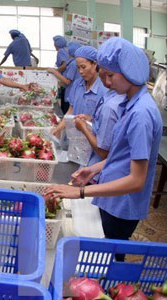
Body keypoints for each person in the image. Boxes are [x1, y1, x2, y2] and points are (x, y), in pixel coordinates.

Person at [45, 38, 162, 261]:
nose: (106, 83)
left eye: (111, 75)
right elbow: (122, 156)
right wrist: (96, 169)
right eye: (103, 75)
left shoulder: (141, 115)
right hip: (112, 193)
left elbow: (137, 180)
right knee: (104, 248)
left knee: (111, 256)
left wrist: (80, 192)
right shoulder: (130, 104)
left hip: (122, 201)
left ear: (130, 72)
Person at [73, 67, 126, 183]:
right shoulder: (113, 95)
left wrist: (84, 128)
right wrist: (91, 119)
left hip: (99, 171)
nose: (106, 81)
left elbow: (103, 152)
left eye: (109, 76)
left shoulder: (110, 107)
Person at [51, 46, 107, 137]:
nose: (80, 71)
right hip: (75, 139)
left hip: (93, 140)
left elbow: (105, 122)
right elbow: (70, 112)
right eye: (78, 67)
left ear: (95, 64)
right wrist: (57, 130)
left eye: (83, 67)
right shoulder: (77, 85)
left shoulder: (104, 90)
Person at [48, 41, 82, 114]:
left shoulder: (73, 64)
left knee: (67, 114)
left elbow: (67, 81)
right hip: (72, 92)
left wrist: (54, 72)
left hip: (71, 94)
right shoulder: (73, 62)